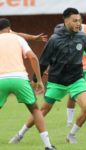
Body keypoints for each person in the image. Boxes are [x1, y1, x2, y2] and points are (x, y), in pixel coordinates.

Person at [9, 8, 86, 144]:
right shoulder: (54, 40)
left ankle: (71, 135)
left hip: (76, 79)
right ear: (66, 21)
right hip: (56, 81)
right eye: (75, 21)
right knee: (42, 111)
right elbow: (43, 61)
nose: (78, 24)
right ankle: (20, 134)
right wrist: (35, 80)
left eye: (79, 21)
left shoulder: (82, 37)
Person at [0, 18, 56, 150]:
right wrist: (39, 80)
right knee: (35, 110)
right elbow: (33, 57)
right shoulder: (18, 39)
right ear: (9, 28)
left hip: (1, 79)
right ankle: (48, 146)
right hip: (20, 78)